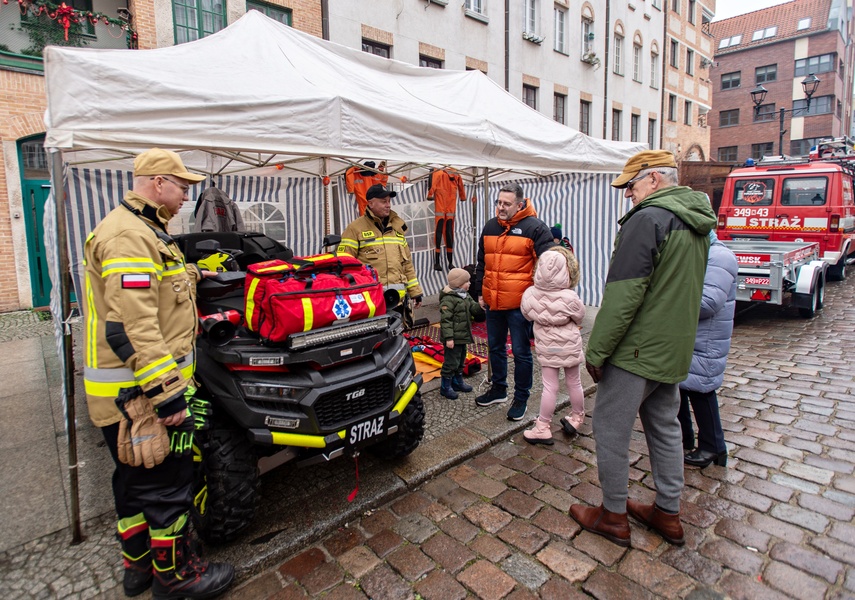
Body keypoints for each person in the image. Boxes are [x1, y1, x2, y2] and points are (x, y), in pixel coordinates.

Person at [82, 148, 234, 598]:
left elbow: (153, 287)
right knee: (168, 482)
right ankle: (178, 578)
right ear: (158, 182)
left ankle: (139, 569)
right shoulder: (131, 236)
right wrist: (168, 397)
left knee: (132, 483)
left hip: (126, 394)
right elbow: (132, 325)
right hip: (141, 394)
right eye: (182, 186)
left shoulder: (144, 230)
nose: (187, 195)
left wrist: (194, 272)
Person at [569, 150, 716, 548]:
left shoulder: (647, 219)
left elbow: (622, 297)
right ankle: (668, 513)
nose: (627, 194)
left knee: (610, 430)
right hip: (671, 346)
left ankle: (613, 515)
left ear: (653, 180)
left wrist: (596, 352)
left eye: (630, 186)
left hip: (636, 349)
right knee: (666, 426)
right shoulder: (696, 220)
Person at [472, 182, 554, 421]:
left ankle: (521, 398)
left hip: (520, 306)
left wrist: (538, 299)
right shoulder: (489, 226)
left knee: (520, 352)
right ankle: (499, 389)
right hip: (493, 302)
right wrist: (480, 292)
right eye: (498, 202)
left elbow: (548, 267)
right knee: (495, 348)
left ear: (520, 204)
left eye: (506, 204)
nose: (501, 207)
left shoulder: (536, 228)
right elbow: (481, 262)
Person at [678, 229, 738, 468]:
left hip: (707, 338)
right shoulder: (700, 252)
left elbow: (708, 302)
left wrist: (668, 298)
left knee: (701, 391)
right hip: (690, 335)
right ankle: (684, 437)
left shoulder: (719, 256)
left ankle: (714, 447)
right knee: (680, 387)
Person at [519, 246, 586, 445]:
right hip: (569, 344)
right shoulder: (570, 296)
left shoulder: (530, 294)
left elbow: (526, 314)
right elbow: (580, 316)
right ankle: (577, 418)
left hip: (547, 345)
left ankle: (542, 427)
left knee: (550, 386)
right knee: (574, 381)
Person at [338, 184, 423, 326]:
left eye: (389, 201)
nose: (388, 205)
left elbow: (407, 263)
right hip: (370, 302)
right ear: (370, 203)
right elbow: (345, 265)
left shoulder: (397, 228)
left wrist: (415, 291)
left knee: (397, 342)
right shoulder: (355, 229)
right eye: (384, 201)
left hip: (397, 302)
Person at [438, 268, 486, 399]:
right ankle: (445, 386)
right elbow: (446, 321)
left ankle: (457, 381)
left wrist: (480, 306)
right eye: (467, 281)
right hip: (453, 338)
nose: (470, 283)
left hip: (463, 336)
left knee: (460, 360)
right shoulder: (448, 299)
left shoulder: (465, 295)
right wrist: (449, 338)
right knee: (450, 362)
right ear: (459, 284)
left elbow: (473, 308)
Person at [427, 168, 467, 271]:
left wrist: (430, 194)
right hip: (449, 205)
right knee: (448, 232)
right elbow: (461, 186)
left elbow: (434, 184)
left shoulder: (438, 172)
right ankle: (445, 263)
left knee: (441, 232)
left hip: (443, 204)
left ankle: (443, 262)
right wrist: (462, 196)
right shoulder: (454, 172)